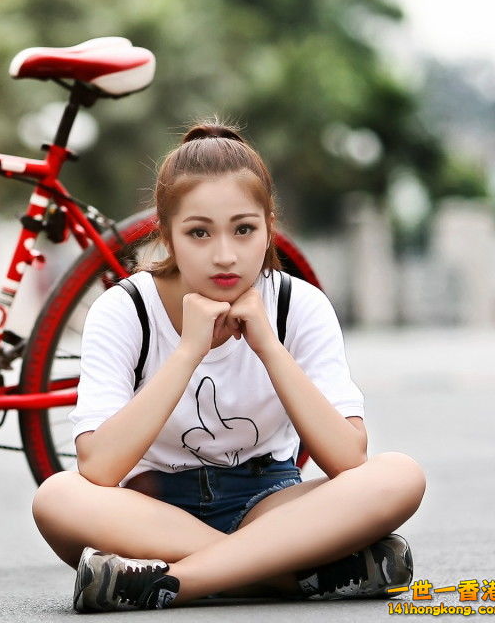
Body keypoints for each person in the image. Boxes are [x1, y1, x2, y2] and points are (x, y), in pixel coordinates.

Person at [30, 121, 427, 612]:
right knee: (57, 498)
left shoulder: (297, 306)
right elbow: (100, 468)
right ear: (167, 233)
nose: (225, 256)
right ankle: (288, 574)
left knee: (400, 476)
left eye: (244, 229)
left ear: (268, 227)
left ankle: (171, 583)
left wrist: (269, 347)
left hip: (270, 505)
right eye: (199, 232)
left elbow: (347, 459)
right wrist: (187, 351)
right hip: (152, 512)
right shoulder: (126, 309)